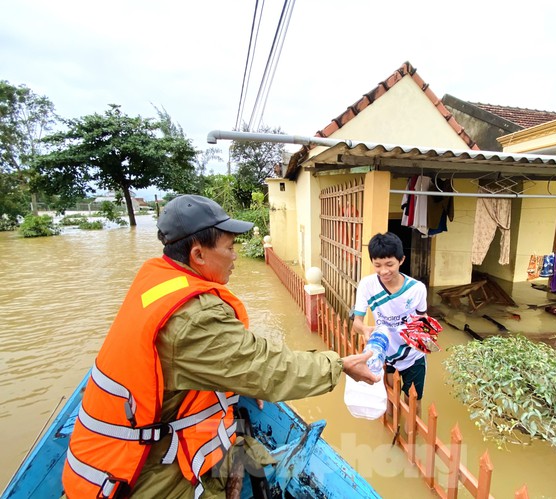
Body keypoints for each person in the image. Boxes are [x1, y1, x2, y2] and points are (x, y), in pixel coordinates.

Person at [62, 194, 378, 498]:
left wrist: (242, 383)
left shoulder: (160, 281)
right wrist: (339, 365)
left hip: (109, 453)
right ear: (198, 254)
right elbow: (268, 370)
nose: (236, 255)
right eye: (229, 247)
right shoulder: (194, 317)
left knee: (241, 451)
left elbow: (234, 359)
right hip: (138, 476)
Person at [352, 232, 429, 416]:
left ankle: (411, 438)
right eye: (377, 265)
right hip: (384, 352)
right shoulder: (367, 285)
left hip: (413, 354)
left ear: (401, 260)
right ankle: (392, 431)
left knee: (413, 401)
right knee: (387, 397)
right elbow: (357, 322)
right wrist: (364, 329)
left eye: (389, 264)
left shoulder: (416, 289)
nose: (384, 271)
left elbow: (423, 318)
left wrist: (426, 336)